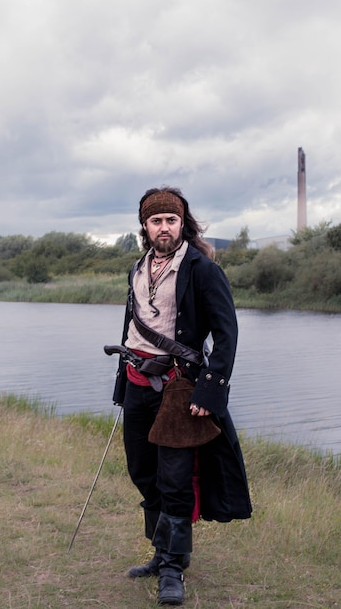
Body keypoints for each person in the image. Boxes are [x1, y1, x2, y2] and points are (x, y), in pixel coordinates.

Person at [111, 186, 252, 606]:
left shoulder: (202, 269)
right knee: (144, 473)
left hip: (179, 388)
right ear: (145, 226)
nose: (164, 227)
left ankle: (173, 567)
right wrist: (122, 383)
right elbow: (131, 331)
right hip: (138, 385)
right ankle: (161, 552)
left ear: (181, 223)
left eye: (171, 220)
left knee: (175, 480)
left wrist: (209, 390)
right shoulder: (137, 269)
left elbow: (227, 334)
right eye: (156, 220)